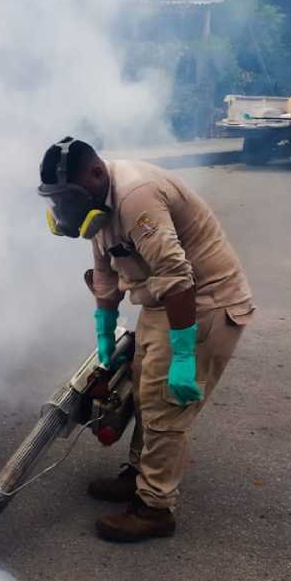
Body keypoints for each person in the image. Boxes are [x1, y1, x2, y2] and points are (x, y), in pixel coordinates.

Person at [37, 138, 254, 542]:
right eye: (56, 199)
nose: (63, 209)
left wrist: (184, 357)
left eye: (68, 197)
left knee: (167, 405)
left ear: (97, 175)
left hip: (202, 302)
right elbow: (104, 274)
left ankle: (154, 507)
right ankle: (140, 475)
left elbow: (177, 277)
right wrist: (105, 336)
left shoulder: (136, 198)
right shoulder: (95, 208)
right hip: (164, 300)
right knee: (142, 392)